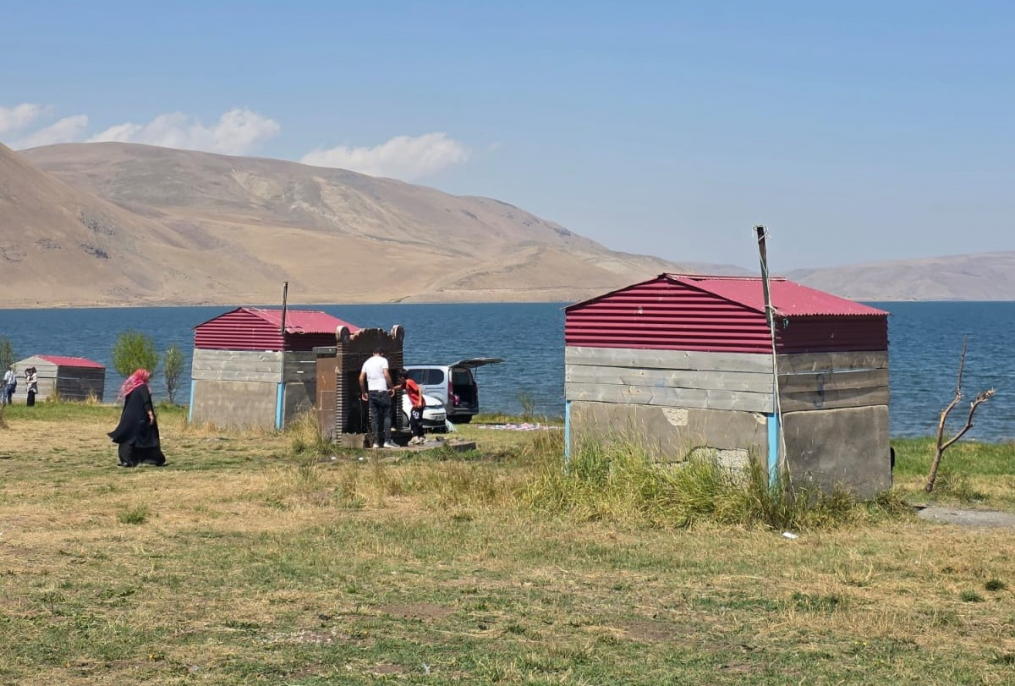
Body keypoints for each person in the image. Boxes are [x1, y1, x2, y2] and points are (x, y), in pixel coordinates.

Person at [108, 369, 166, 467]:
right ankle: (153, 459)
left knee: (127, 437)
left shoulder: (131, 386)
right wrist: (151, 415)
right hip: (140, 417)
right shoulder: (142, 386)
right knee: (147, 437)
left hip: (128, 417)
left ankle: (126, 460)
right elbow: (146, 401)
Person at [359, 348, 396, 449]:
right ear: (382, 353)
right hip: (382, 390)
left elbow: (361, 378)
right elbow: (386, 374)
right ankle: (387, 441)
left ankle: (376, 442)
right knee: (387, 414)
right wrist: (392, 387)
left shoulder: (367, 362)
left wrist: (364, 392)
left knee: (374, 417)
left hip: (371, 392)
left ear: (373, 352)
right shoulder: (383, 360)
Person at [397, 368, 427, 445]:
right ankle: (421, 435)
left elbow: (419, 389)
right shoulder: (405, 384)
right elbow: (400, 387)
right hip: (416, 404)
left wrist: (419, 401)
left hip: (418, 404)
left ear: (402, 377)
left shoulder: (409, 382)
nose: (399, 379)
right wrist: (392, 389)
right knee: (418, 420)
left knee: (413, 420)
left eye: (399, 378)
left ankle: (415, 436)